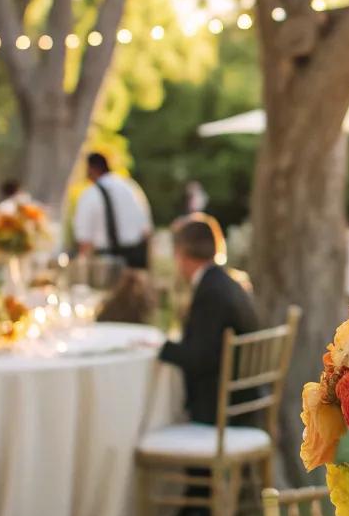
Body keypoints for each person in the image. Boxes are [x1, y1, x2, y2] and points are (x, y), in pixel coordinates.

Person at [159, 214, 258, 425]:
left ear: (181, 253)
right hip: (244, 406)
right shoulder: (230, 283)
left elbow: (199, 358)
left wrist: (160, 348)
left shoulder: (210, 291)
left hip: (218, 413)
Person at [73, 152, 152, 270]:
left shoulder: (90, 194)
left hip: (106, 264)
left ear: (91, 168)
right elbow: (146, 231)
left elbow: (84, 240)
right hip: (136, 260)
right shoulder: (130, 187)